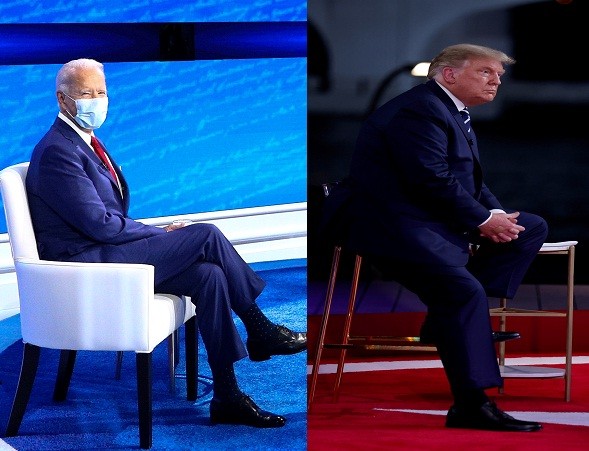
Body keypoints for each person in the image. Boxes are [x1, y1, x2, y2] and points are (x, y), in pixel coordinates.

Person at [25, 58, 306, 428]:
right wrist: (162, 236)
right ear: (64, 101)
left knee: (209, 276)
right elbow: (101, 225)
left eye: (102, 92)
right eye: (86, 94)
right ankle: (258, 327)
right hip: (87, 264)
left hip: (105, 251)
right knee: (205, 234)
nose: (97, 101)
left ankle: (228, 396)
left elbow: (108, 220)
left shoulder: (84, 142)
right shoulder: (58, 150)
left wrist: (160, 237)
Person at [344, 44, 547, 431]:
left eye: (498, 75)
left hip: (428, 221)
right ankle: (471, 405)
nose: (497, 80)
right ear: (449, 75)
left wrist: (496, 215)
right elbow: (429, 179)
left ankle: (444, 320)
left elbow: (466, 178)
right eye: (486, 72)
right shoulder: (419, 110)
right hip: (395, 228)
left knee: (530, 227)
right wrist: (483, 220)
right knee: (462, 292)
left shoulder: (449, 109)